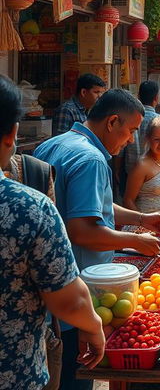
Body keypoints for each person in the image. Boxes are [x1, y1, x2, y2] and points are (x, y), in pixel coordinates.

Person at [35, 89, 160, 389]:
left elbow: (93, 204)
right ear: (112, 122)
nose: (130, 141)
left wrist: (140, 219)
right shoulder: (92, 158)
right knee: (74, 376)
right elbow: (83, 231)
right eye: (131, 131)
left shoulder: (54, 144)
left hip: (44, 291)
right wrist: (135, 241)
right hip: (74, 292)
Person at [0, 75, 106, 389]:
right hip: (15, 375)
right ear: (12, 134)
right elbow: (68, 301)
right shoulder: (29, 208)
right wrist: (94, 326)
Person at [123, 80, 160, 193]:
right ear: (156, 98)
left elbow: (121, 150)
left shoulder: (129, 117)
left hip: (128, 171)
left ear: (138, 96)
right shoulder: (159, 121)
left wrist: (116, 169)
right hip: (152, 175)